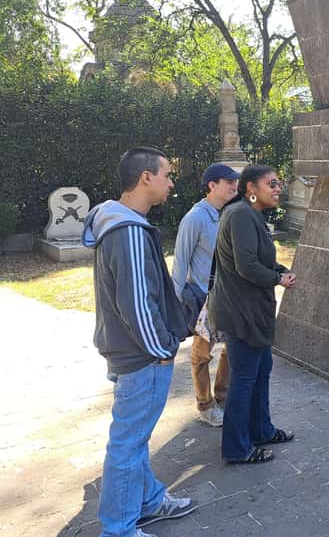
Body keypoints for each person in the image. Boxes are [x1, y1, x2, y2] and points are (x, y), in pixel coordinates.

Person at [82, 147, 196, 537]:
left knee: (135, 437)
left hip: (128, 351)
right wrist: (163, 350)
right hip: (142, 357)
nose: (170, 182)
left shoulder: (120, 222)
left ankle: (148, 501)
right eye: (166, 174)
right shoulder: (128, 230)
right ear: (146, 177)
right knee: (128, 444)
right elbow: (136, 303)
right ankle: (118, 529)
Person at [208, 164, 297, 464]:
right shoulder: (242, 215)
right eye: (270, 183)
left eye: (278, 183)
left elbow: (256, 259)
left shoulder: (250, 215)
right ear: (251, 189)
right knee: (245, 379)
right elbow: (246, 266)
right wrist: (277, 279)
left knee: (260, 373)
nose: (277, 188)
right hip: (241, 313)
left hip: (253, 312)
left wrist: (279, 270)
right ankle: (237, 448)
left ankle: (261, 430)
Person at [171, 163, 240, 427]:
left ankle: (222, 398)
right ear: (212, 185)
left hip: (228, 295)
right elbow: (181, 263)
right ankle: (205, 404)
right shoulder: (195, 218)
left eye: (235, 182)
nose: (234, 186)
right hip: (203, 298)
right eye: (228, 182)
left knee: (232, 349)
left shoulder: (228, 214)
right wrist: (174, 303)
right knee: (202, 354)